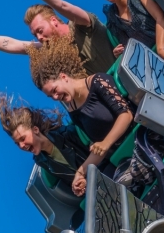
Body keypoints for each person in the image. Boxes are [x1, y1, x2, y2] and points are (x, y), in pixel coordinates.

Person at [28, 36, 135, 196]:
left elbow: (126, 115)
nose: (56, 97)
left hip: (140, 139)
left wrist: (105, 143)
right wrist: (80, 173)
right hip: (122, 157)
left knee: (121, 187)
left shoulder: (98, 81)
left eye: (55, 90)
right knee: (103, 196)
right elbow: (100, 150)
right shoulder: (74, 111)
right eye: (51, 97)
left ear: (64, 77)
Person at [0, 92, 89, 193]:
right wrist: (77, 187)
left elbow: (96, 152)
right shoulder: (41, 161)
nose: (22, 145)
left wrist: (82, 174)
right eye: (17, 144)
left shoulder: (66, 133)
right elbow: (70, 181)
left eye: (22, 139)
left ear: (35, 130)